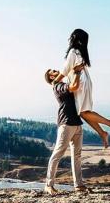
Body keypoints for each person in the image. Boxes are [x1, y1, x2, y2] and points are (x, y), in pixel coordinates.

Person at [53, 29, 110, 148]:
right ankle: (102, 133)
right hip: (86, 82)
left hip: (81, 83)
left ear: (75, 38)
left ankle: (109, 123)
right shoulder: (80, 52)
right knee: (85, 113)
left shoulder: (73, 52)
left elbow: (65, 70)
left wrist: (55, 81)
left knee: (84, 112)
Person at [44, 64, 88, 195]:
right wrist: (77, 72)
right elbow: (74, 86)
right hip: (66, 124)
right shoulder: (57, 86)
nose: (56, 70)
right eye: (52, 71)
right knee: (57, 154)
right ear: (51, 77)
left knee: (77, 156)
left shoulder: (63, 83)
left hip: (76, 123)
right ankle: (48, 184)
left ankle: (78, 185)